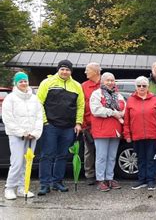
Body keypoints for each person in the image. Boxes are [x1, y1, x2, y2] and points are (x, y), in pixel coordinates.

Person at [36, 60, 85, 195]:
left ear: (71, 71)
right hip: (50, 125)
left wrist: (78, 123)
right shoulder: (47, 83)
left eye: (67, 69)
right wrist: (45, 122)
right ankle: (44, 184)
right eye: (62, 69)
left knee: (62, 155)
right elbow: (39, 102)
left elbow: (81, 105)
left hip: (68, 127)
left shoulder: (76, 86)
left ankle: (57, 182)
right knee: (47, 155)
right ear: (58, 70)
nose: (64, 72)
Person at [2, 72, 43, 200]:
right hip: (17, 136)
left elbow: (39, 116)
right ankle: (9, 188)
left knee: (27, 162)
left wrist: (35, 132)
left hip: (32, 136)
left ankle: (22, 187)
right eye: (21, 81)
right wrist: (21, 132)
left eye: (25, 81)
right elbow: (8, 118)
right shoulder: (10, 98)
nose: (24, 83)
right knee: (17, 162)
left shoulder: (34, 98)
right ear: (16, 83)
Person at [124, 76, 156, 191]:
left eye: (144, 85)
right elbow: (126, 119)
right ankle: (141, 180)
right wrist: (127, 134)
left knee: (150, 159)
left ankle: (151, 181)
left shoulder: (154, 99)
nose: (141, 88)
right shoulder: (131, 100)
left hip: (153, 135)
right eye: (139, 86)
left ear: (148, 87)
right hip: (137, 136)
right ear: (136, 87)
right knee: (141, 159)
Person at [90, 72, 126, 192]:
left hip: (115, 130)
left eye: (112, 80)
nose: (110, 82)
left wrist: (120, 113)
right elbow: (96, 110)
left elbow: (124, 108)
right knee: (101, 156)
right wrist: (113, 113)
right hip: (101, 130)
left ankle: (109, 178)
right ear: (102, 81)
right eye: (108, 80)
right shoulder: (96, 94)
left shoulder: (118, 95)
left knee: (111, 156)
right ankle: (100, 179)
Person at [81, 62, 102, 185]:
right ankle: (89, 174)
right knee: (88, 150)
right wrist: (83, 123)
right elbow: (81, 105)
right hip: (88, 124)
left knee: (102, 150)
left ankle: (101, 174)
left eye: (87, 70)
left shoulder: (105, 83)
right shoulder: (83, 85)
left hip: (102, 124)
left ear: (95, 71)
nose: (85, 72)